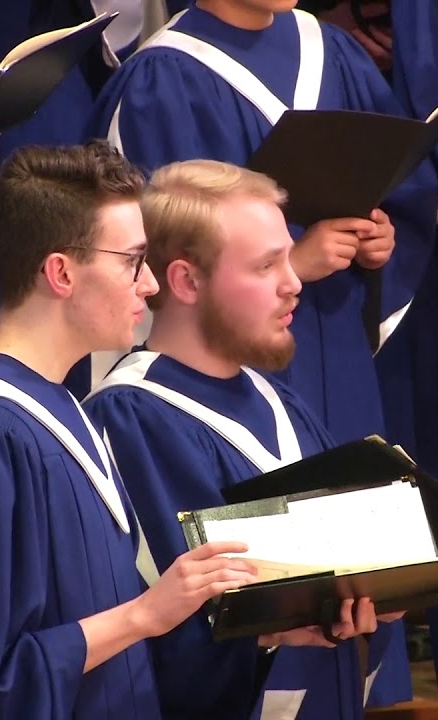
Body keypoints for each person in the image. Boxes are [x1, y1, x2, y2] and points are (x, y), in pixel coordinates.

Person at [85, 1, 437, 703]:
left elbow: (403, 188)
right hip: (214, 369)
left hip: (318, 356)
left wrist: (377, 242)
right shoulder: (163, 78)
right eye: (264, 264)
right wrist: (298, 262)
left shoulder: (334, 53)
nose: (282, 282)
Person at [0, 141, 268, 717]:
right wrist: (146, 613)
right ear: (61, 272)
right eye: (131, 262)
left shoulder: (65, 409)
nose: (149, 287)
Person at [84, 158, 405, 719]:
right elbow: (164, 630)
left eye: (289, 255)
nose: (294, 281)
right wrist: (275, 627)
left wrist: (387, 585)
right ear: (185, 280)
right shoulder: (131, 417)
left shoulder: (280, 401)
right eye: (266, 266)